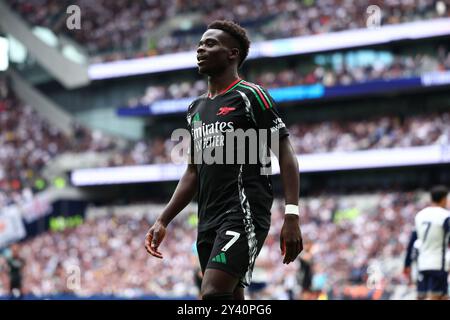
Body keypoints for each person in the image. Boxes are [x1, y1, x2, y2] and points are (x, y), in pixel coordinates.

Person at [145, 20, 303, 300]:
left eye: (210, 44)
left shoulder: (251, 95)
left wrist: (291, 216)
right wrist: (163, 219)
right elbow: (192, 172)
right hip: (208, 218)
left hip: (243, 211)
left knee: (213, 293)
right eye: (200, 44)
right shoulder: (195, 109)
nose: (200, 49)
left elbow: (286, 155)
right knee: (232, 298)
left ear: (232, 54)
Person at [404, 185, 450, 300]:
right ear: (444, 199)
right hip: (438, 263)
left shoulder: (420, 215)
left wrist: (407, 264)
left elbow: (412, 241)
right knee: (436, 296)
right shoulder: (445, 216)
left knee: (428, 296)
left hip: (422, 263)